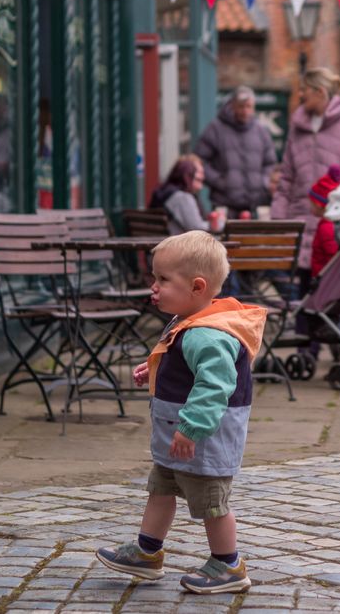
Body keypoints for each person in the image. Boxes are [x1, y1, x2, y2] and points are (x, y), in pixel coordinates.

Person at [95, 231, 266, 595]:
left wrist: (192, 429)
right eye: (154, 277)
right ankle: (147, 552)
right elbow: (184, 361)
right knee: (161, 490)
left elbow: (215, 386)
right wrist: (155, 367)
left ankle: (229, 565)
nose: (153, 287)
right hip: (176, 437)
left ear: (197, 286)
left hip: (201, 439)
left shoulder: (208, 334)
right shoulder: (188, 318)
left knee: (212, 503)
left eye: (163, 279)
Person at [271, 68, 340, 284]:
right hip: (298, 224)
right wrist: (278, 220)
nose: (300, 95)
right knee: (300, 292)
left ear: (320, 91)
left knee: (331, 290)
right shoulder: (297, 128)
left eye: (304, 90)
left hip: (334, 227)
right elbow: (286, 178)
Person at [193, 86, 278, 218]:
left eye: (249, 106)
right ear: (232, 106)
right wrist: (219, 181)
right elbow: (199, 161)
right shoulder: (215, 129)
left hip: (255, 206)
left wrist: (263, 182)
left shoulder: (261, 131)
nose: (245, 111)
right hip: (224, 205)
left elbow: (270, 163)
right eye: (241, 106)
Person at [150, 155, 209, 235]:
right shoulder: (182, 197)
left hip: (160, 240)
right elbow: (196, 228)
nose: (202, 176)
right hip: (178, 241)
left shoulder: (163, 192)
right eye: (198, 172)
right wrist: (214, 225)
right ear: (186, 174)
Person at [308, 165, 340, 278]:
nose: (310, 207)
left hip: (326, 280)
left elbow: (333, 259)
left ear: (319, 204)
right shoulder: (330, 224)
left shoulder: (327, 227)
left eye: (311, 203)